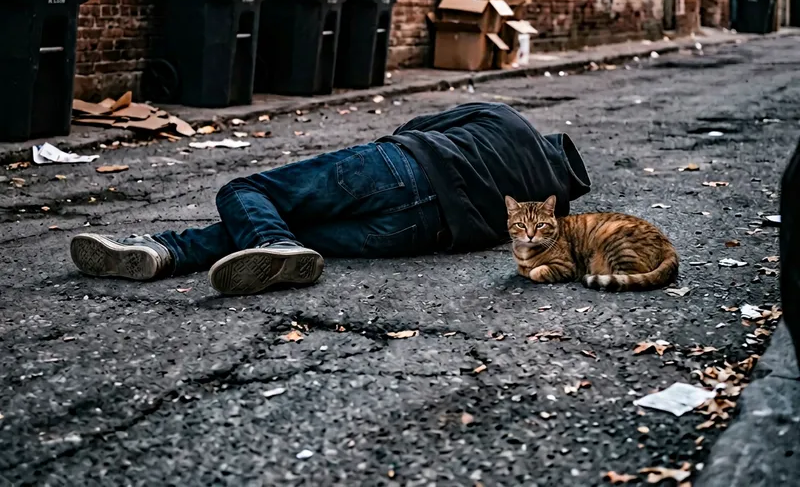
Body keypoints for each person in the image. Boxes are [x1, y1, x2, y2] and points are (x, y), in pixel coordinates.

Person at [69, 102, 591, 296]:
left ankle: (260, 244)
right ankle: (166, 252)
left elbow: (415, 127)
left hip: (402, 169)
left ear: (549, 143)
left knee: (246, 191)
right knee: (283, 232)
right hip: (418, 234)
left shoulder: (504, 118)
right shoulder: (546, 213)